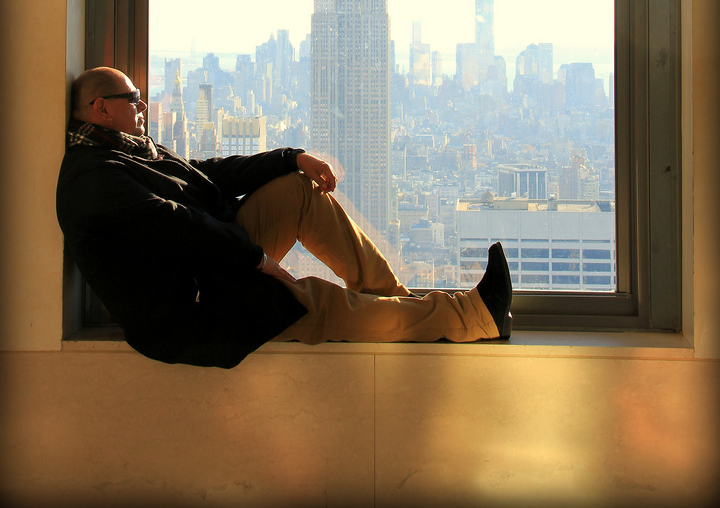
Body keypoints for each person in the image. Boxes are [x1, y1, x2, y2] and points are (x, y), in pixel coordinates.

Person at [56, 66, 513, 368]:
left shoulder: (123, 149)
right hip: (195, 306)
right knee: (318, 303)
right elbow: (177, 225)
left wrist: (291, 158)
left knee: (299, 190)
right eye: (132, 98)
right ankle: (474, 318)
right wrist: (256, 259)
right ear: (100, 108)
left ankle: (397, 305)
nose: (141, 105)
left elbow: (205, 175)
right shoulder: (91, 179)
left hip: (211, 262)